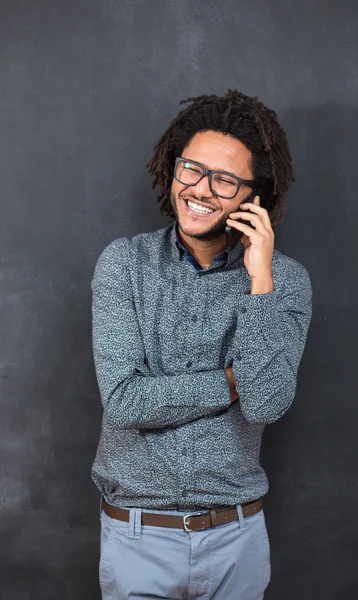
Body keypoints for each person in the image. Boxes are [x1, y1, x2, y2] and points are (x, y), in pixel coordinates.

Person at [91, 89, 313, 600]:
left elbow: (267, 402)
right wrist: (232, 379)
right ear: (173, 169)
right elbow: (125, 401)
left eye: (226, 179)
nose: (201, 189)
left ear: (253, 196)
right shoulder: (124, 264)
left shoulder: (285, 281)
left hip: (236, 540)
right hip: (136, 536)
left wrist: (261, 283)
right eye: (191, 168)